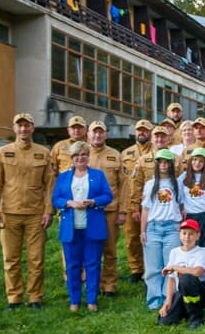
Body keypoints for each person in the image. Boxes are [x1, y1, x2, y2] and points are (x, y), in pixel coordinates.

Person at [0, 113, 55, 309]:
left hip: (36, 214)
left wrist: (48, 211)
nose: (24, 129)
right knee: (11, 258)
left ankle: (35, 297)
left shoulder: (43, 153)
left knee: (36, 259)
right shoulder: (2, 152)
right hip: (9, 213)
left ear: (33, 128)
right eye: (20, 126)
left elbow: (50, 185)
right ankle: (14, 298)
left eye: (27, 125)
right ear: (14, 128)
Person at [52, 141, 113, 313]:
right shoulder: (63, 177)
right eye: (76, 155)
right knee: (72, 265)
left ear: (88, 156)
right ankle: (74, 300)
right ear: (72, 158)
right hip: (71, 227)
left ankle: (92, 299)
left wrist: (93, 202)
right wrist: (68, 203)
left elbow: (107, 196)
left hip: (92, 225)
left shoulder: (98, 175)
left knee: (92, 263)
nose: (80, 158)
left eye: (84, 155)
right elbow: (55, 199)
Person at [87, 120, 128, 297]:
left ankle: (109, 285)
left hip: (110, 210)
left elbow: (124, 185)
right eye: (94, 132)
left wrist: (122, 210)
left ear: (106, 134)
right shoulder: (82, 153)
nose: (97, 135)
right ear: (88, 134)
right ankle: (92, 284)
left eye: (101, 132)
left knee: (110, 250)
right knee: (90, 250)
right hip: (87, 211)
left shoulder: (115, 155)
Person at [140, 149, 184, 311]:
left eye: (167, 163)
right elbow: (145, 209)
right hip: (154, 228)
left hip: (172, 227)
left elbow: (181, 206)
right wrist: (143, 231)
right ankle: (154, 299)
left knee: (170, 265)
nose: (164, 166)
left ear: (171, 165)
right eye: (161, 163)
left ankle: (168, 298)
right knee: (153, 267)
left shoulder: (177, 183)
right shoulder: (150, 184)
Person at [158, 219, 205, 328]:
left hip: (201, 293)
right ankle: (186, 311)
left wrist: (174, 267)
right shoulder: (174, 252)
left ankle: (196, 317)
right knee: (165, 321)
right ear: (179, 235)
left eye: (191, 234)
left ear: (198, 235)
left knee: (187, 279)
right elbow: (172, 280)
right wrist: (167, 302)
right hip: (181, 293)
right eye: (184, 233)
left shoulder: (203, 251)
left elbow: (198, 272)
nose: (187, 237)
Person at [121, 119, 154, 283]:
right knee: (132, 237)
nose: (142, 133)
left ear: (151, 132)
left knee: (150, 236)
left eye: (145, 130)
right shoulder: (126, 153)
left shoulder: (158, 152)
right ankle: (136, 268)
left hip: (151, 202)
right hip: (130, 200)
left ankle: (150, 267)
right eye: (139, 130)